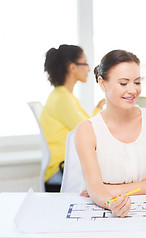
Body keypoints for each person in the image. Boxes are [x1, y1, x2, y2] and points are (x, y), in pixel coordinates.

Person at [75, 50, 146, 217]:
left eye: (137, 82)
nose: (133, 90)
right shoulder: (86, 130)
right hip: (109, 214)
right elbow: (95, 188)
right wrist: (111, 202)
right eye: (123, 83)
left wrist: (117, 189)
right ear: (102, 83)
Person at [40, 44, 105, 191]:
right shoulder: (63, 99)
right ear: (72, 67)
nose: (89, 69)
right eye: (85, 63)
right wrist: (101, 108)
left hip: (63, 167)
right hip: (61, 170)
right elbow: (89, 131)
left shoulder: (63, 96)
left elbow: (86, 125)